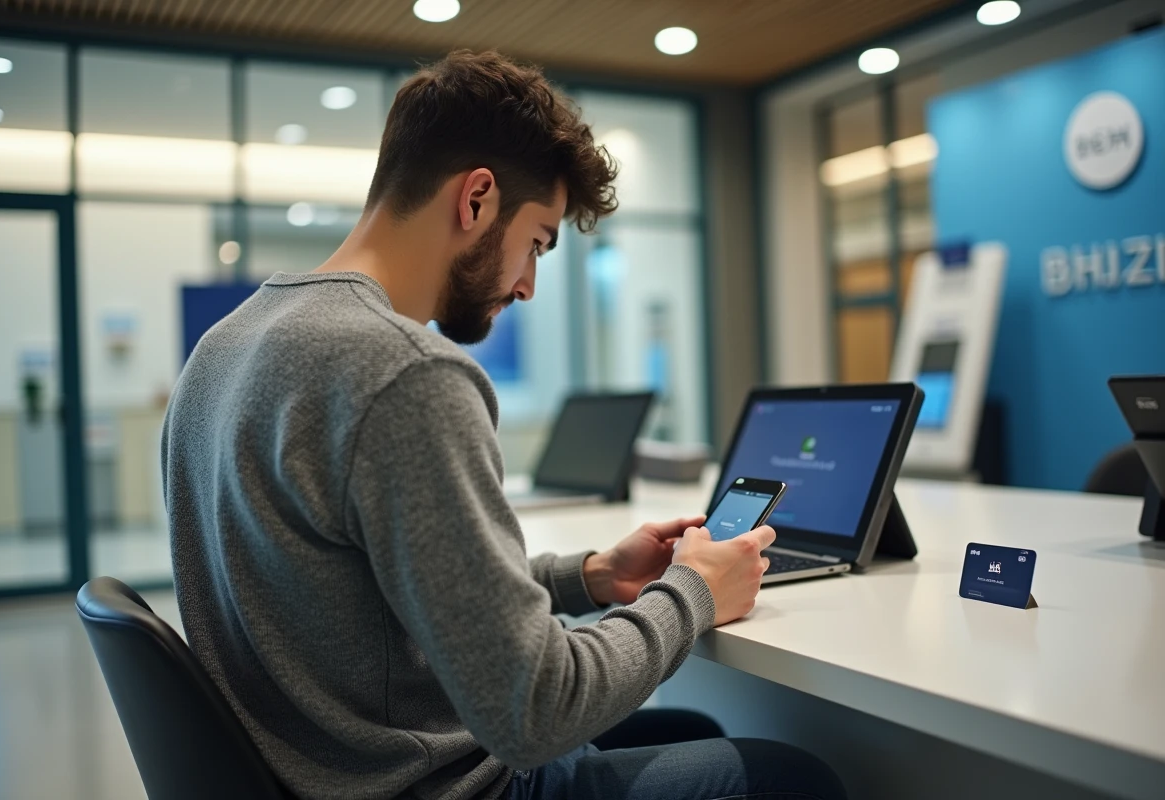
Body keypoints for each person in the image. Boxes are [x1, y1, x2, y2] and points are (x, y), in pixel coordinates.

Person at [162, 50, 846, 800]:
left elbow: (362, 596)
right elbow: (534, 712)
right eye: (539, 243)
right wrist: (692, 592)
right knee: (798, 778)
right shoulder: (403, 372)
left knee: (699, 735)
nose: (526, 284)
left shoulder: (219, 351)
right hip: (440, 786)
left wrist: (587, 576)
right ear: (477, 199)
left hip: (331, 770)